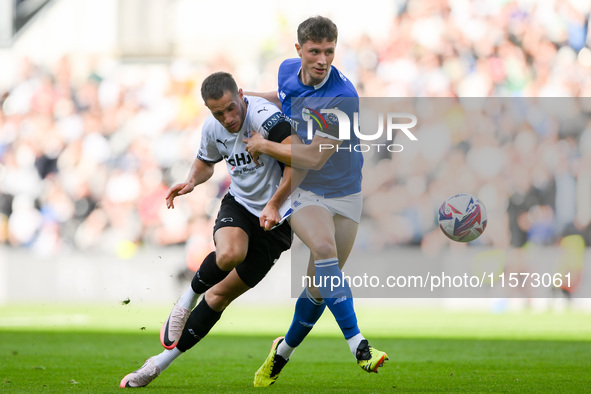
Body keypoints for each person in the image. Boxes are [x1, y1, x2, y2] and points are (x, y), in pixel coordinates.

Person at [120, 71, 295, 388]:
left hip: (276, 221)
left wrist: (274, 200)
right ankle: (185, 300)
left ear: (241, 95)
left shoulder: (265, 118)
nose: (227, 118)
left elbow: (298, 162)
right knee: (230, 253)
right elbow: (205, 161)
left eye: (231, 108)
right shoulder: (213, 128)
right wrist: (191, 181)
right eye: (218, 113)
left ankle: (157, 364)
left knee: (217, 298)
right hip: (239, 206)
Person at [244, 16, 388, 387]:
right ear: (299, 51)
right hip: (307, 190)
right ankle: (359, 346)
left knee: (318, 287)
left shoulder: (343, 97)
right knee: (323, 250)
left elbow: (314, 156)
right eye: (315, 51)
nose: (322, 59)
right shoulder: (287, 70)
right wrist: (245, 101)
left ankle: (282, 353)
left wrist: (264, 145)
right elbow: (285, 100)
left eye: (329, 52)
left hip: (347, 192)